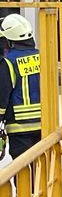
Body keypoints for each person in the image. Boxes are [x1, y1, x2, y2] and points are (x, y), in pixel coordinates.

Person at [0, 13, 40, 161]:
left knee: (24, 174)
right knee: (43, 170)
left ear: (8, 40)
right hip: (45, 125)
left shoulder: (8, 63)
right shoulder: (42, 57)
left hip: (19, 128)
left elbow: (2, 98)